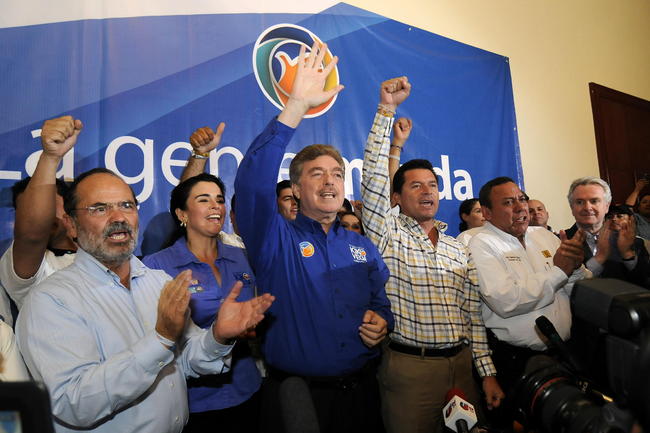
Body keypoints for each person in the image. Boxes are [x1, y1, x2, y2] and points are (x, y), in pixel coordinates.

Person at [16, 167, 274, 433]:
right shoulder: (51, 300)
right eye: (100, 208)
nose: (118, 217)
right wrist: (161, 339)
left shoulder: (158, 282)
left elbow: (188, 359)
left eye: (126, 205)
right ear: (71, 224)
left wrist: (218, 336)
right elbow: (74, 403)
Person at [234, 42, 393, 433]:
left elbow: (379, 300)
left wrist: (382, 321)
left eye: (337, 174)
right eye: (317, 174)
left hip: (362, 396)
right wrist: (296, 107)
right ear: (296, 188)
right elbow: (252, 182)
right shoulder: (274, 238)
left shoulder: (360, 245)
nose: (330, 182)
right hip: (299, 400)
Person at [361, 76, 502, 433]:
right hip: (412, 371)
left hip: (463, 367)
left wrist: (486, 373)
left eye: (433, 185)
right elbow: (373, 178)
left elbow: (472, 315)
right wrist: (387, 110)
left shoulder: (457, 246)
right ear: (396, 198)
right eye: (416, 185)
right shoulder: (388, 235)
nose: (428, 191)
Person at [467, 176, 589, 431]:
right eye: (508, 202)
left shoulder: (543, 236)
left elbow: (577, 289)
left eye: (522, 199)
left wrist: (575, 268)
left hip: (564, 353)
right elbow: (506, 300)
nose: (520, 207)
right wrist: (559, 271)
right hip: (517, 362)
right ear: (487, 213)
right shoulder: (480, 244)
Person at [143, 173, 262, 433]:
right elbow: (152, 334)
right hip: (192, 400)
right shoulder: (156, 265)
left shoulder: (243, 257)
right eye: (204, 200)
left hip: (247, 389)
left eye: (219, 200)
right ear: (182, 214)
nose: (215, 206)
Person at [0, 116, 79, 324]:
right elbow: (33, 233)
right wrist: (50, 157)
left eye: (47, 204)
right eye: (25, 211)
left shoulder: (101, 255)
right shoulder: (26, 264)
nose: (41, 215)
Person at [564, 176, 649, 287]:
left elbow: (644, 283)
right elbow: (563, 286)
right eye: (580, 202)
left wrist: (627, 255)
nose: (587, 207)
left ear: (607, 206)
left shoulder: (634, 242)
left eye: (594, 201)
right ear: (572, 208)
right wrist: (599, 259)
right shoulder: (558, 241)